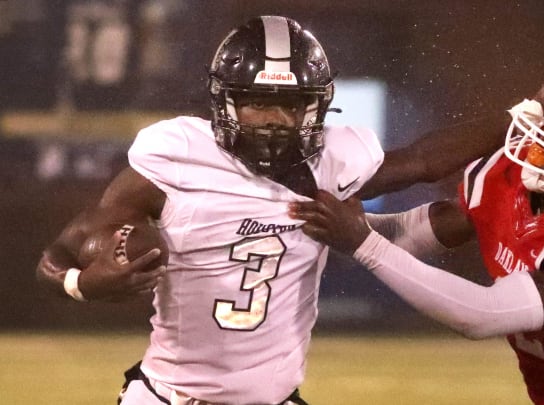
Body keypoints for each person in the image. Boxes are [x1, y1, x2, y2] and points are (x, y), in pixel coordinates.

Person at [35, 15, 507, 405]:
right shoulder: (176, 155)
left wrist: (523, 117)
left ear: (317, 107)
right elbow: (61, 252)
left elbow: (425, 161)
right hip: (168, 397)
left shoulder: (331, 162)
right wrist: (83, 283)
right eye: (257, 103)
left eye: (291, 105)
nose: (274, 121)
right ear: (224, 102)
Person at [289, 58, 544, 404]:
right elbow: (418, 231)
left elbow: (480, 315)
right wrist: (324, 222)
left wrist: (360, 241)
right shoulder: (521, 175)